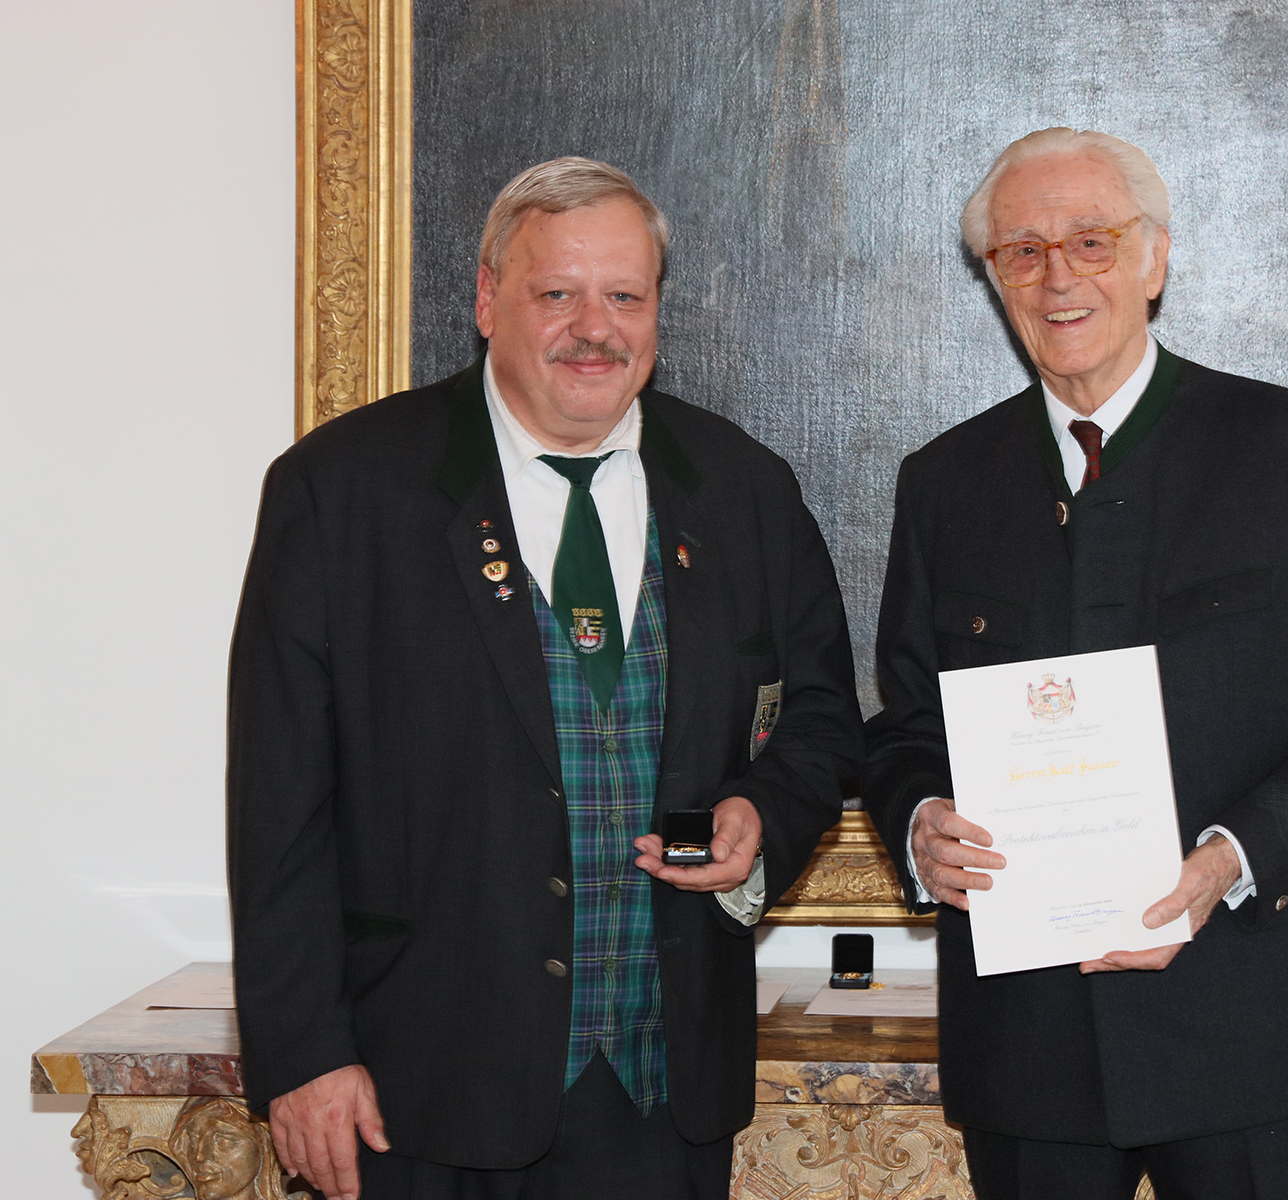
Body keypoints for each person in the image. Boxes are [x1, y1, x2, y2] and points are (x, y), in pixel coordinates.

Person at [228, 157, 862, 1200]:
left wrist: (763, 809)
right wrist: (302, 1055)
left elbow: (825, 723)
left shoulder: (745, 490)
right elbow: (278, 804)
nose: (594, 327)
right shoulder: (339, 492)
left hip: (663, 1093)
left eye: (625, 295)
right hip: (415, 1093)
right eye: (555, 292)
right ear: (486, 301)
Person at [862, 127, 1288, 1199]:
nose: (1057, 277)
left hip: (1253, 1033)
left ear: (1154, 260)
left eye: (1091, 240)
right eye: (1022, 251)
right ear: (994, 278)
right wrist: (918, 822)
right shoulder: (946, 484)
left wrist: (1230, 856)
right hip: (1028, 1048)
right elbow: (905, 724)